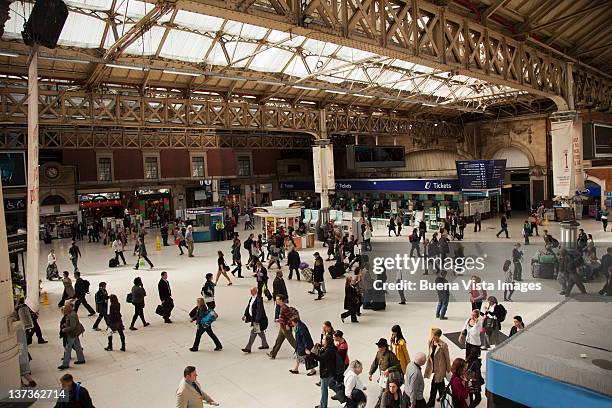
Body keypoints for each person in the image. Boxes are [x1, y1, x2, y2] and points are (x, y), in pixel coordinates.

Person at [307, 334, 337, 408]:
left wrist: (310, 354)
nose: (322, 340)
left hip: (326, 373)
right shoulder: (332, 348)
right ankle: (344, 395)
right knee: (332, 385)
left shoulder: (328, 351)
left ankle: (323, 406)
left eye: (323, 339)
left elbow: (321, 358)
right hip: (331, 372)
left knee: (324, 390)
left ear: (327, 341)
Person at [424, 328, 450, 407]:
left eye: (435, 335)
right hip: (432, 366)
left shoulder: (443, 345)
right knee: (440, 384)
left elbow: (447, 358)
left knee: (434, 384)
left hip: (440, 368)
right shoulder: (430, 342)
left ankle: (431, 402)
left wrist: (449, 369)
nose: (433, 337)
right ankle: (443, 396)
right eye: (433, 335)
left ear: (439, 336)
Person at [58, 303, 86, 370]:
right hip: (75, 333)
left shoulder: (72, 315)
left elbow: (72, 327)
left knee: (68, 349)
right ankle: (81, 359)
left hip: (72, 334)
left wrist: (65, 329)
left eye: (66, 308)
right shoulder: (71, 314)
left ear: (69, 308)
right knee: (77, 346)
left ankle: (65, 364)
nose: (64, 309)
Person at [268, 294, 297, 359]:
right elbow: (284, 317)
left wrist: (287, 324)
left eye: (277, 299)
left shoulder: (285, 308)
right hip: (282, 327)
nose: (276, 300)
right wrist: (280, 319)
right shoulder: (281, 307)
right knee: (278, 341)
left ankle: (301, 353)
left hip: (286, 329)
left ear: (281, 300)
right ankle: (273, 354)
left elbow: (291, 317)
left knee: (292, 342)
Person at [241, 287, 269, 353]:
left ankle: (248, 348)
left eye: (252, 291)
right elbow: (249, 306)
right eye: (250, 291)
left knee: (253, 332)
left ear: (255, 291)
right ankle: (265, 344)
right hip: (255, 319)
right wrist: (245, 314)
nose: (250, 292)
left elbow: (259, 310)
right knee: (260, 332)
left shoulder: (259, 299)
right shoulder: (252, 298)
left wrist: (257, 321)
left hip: (259, 320)